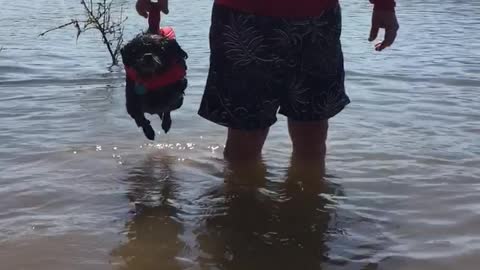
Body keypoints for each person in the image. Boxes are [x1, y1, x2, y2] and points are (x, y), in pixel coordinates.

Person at [135, 0, 399, 175]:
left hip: (316, 19)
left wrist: (384, 5)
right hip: (242, 18)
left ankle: (307, 221)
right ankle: (242, 232)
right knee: (244, 142)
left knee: (312, 136)